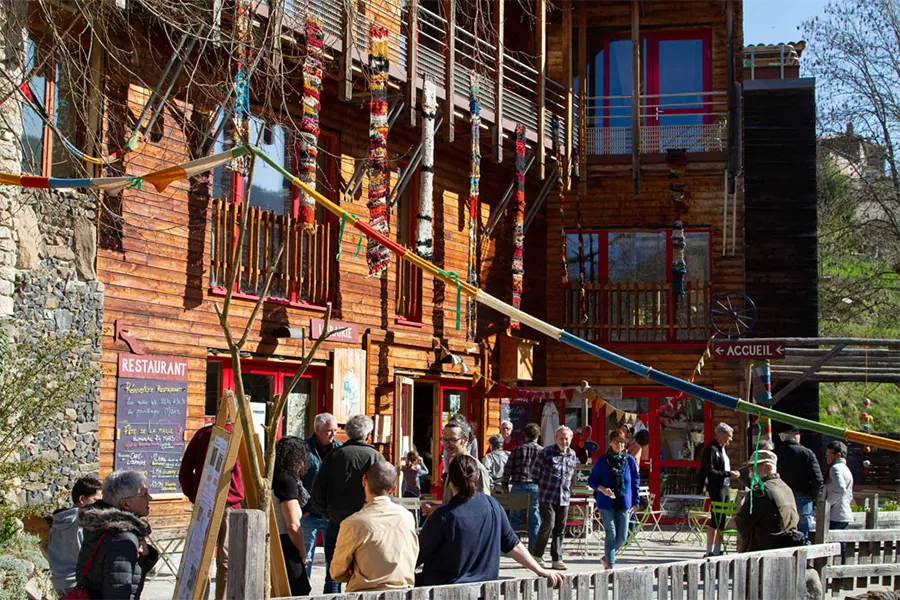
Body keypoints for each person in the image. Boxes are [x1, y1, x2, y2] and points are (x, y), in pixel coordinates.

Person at [416, 455, 565, 587]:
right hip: (485, 591)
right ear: (476, 478)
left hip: (444, 590)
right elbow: (513, 545)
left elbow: (415, 555)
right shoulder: (492, 505)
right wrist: (540, 570)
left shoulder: (443, 516)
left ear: (449, 480)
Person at [178, 393, 245, 600]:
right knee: (223, 559)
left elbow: (184, 473)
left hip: (211, 502)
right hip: (226, 504)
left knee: (201, 555)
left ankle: (199, 596)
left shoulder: (205, 434)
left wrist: (195, 494)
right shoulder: (237, 436)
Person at [311, 414, 384, 594]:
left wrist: (325, 512)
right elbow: (383, 490)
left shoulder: (335, 455)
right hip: (367, 524)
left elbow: (318, 489)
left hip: (338, 521)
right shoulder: (375, 457)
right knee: (364, 572)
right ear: (367, 434)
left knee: (333, 573)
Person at [330, 462, 418, 591]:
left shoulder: (353, 523)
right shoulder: (407, 517)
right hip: (403, 591)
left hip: (365, 593)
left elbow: (337, 572)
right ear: (392, 489)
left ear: (364, 480)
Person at [75, 471, 158, 599]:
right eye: (144, 494)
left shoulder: (100, 524)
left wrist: (145, 557)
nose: (150, 498)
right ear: (125, 504)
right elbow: (118, 590)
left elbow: (123, 573)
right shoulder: (123, 538)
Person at [588, 428, 640, 569]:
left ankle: (606, 557)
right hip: (606, 502)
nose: (620, 445)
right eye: (617, 442)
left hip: (623, 501)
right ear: (610, 443)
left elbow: (635, 481)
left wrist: (636, 501)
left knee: (623, 537)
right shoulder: (603, 460)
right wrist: (602, 489)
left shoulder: (629, 460)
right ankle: (610, 566)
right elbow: (592, 481)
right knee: (611, 532)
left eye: (623, 442)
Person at [734, 450, 802, 552]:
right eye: (750, 467)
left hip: (762, 552)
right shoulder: (785, 487)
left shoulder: (761, 491)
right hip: (786, 548)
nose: (751, 471)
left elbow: (742, 522)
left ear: (769, 468)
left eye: (755, 466)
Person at [530, 426, 577, 570]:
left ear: (571, 439)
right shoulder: (546, 452)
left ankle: (557, 558)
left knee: (560, 528)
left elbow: (572, 474)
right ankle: (537, 555)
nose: (564, 441)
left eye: (567, 438)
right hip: (547, 495)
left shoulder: (572, 454)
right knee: (548, 524)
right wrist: (543, 485)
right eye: (561, 438)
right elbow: (534, 472)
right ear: (556, 438)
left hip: (564, 496)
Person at [300, 412, 342, 576]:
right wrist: (304, 506)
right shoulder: (304, 449)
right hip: (309, 513)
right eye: (329, 430)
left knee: (333, 560)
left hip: (332, 513)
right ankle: (304, 591)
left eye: (335, 430)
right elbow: (297, 479)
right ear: (317, 430)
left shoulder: (340, 450)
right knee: (305, 557)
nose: (333, 434)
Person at [272, 436, 313, 597]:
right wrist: (302, 553)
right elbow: (292, 525)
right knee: (299, 590)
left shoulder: (272, 476)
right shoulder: (286, 481)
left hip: (274, 540)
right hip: (285, 543)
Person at [49, 476, 102, 597]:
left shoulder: (58, 521)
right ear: (82, 499)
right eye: (96, 500)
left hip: (59, 581)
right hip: (79, 584)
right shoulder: (84, 522)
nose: (99, 506)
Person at [774, 426, 824, 543]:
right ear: (796, 435)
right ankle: (803, 559)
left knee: (782, 531)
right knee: (802, 535)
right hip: (803, 497)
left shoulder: (776, 453)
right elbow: (818, 479)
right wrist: (814, 496)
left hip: (781, 496)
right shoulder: (807, 453)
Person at [500, 422, 543, 548]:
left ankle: (515, 547)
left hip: (518, 486)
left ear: (525, 436)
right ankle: (533, 547)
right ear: (538, 436)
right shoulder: (542, 451)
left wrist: (504, 485)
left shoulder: (517, 449)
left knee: (515, 518)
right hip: (535, 487)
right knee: (534, 518)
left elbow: (508, 468)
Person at [699, 423, 739, 557]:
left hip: (725, 486)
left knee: (722, 519)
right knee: (715, 518)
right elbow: (709, 471)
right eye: (729, 436)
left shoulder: (722, 449)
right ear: (721, 434)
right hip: (716, 487)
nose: (731, 439)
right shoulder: (711, 449)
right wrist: (728, 474)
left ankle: (718, 549)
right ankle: (709, 550)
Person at [438, 419, 491, 504]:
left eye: (453, 439)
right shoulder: (453, 465)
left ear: (465, 440)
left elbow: (484, 505)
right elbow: (452, 504)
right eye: (444, 439)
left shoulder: (476, 468)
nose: (447, 444)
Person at [825, 440, 854, 552]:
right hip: (843, 513)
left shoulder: (835, 468)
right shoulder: (846, 469)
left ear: (838, 454)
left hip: (835, 514)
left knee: (835, 548)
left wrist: (827, 504)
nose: (827, 456)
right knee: (842, 547)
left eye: (829, 453)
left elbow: (840, 488)